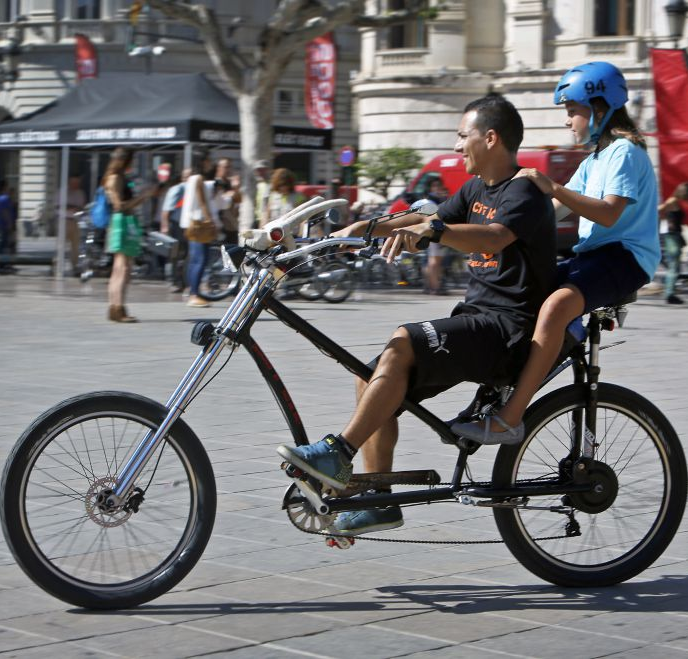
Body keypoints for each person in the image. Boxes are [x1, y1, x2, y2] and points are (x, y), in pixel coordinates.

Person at [277, 93, 558, 535]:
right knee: (369, 377)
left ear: (491, 137)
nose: (457, 145)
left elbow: (493, 237)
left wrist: (436, 231)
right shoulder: (474, 189)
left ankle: (338, 452)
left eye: (463, 136)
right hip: (475, 319)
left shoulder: (522, 189)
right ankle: (378, 500)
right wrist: (361, 228)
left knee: (403, 339)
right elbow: (421, 219)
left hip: (507, 330)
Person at [450, 61, 660, 444]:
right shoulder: (596, 158)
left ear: (599, 108)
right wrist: (513, 213)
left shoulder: (625, 153)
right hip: (593, 257)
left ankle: (511, 417)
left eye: (572, 111)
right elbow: (552, 211)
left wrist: (551, 186)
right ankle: (492, 397)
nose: (568, 121)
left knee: (556, 307)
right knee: (527, 293)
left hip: (625, 257)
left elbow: (609, 213)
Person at [103, 147, 154, 323]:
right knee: (123, 269)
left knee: (119, 268)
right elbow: (119, 205)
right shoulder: (116, 178)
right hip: (122, 223)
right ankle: (118, 309)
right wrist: (142, 197)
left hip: (121, 223)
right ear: (125, 160)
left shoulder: (116, 177)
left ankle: (115, 308)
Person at [180, 152, 221, 308]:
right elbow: (202, 202)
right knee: (200, 259)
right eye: (209, 160)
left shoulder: (191, 178)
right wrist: (210, 220)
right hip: (199, 223)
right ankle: (194, 295)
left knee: (194, 259)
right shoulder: (198, 179)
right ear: (203, 162)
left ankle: (192, 291)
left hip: (191, 223)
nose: (210, 163)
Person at [657, 181, 688, 304]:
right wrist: (666, 220)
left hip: (674, 236)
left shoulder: (675, 201)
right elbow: (658, 210)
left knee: (674, 266)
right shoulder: (672, 201)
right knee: (673, 266)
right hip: (672, 236)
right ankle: (669, 294)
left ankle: (670, 292)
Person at [161, 168, 191, 294]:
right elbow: (166, 209)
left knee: (185, 256)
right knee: (174, 255)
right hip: (176, 225)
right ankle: (172, 281)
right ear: (183, 178)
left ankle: (183, 282)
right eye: (189, 176)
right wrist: (165, 226)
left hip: (186, 225)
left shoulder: (191, 189)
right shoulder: (178, 189)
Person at [422, 178, 451, 295]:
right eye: (435, 186)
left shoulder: (435, 199)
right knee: (434, 260)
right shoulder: (431, 200)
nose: (438, 188)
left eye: (439, 185)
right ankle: (434, 287)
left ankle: (431, 285)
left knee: (435, 260)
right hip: (433, 230)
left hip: (437, 229)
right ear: (430, 188)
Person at [213, 158, 241, 245]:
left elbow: (238, 200)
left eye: (229, 167)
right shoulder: (215, 183)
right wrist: (228, 195)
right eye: (226, 167)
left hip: (231, 224)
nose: (228, 170)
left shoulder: (231, 183)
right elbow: (216, 201)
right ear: (219, 168)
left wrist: (236, 189)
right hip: (219, 224)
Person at [64, 175, 87, 276]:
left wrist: (72, 207)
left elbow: (81, 206)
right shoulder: (63, 192)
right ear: (69, 182)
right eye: (74, 183)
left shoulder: (80, 193)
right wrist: (71, 207)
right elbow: (59, 205)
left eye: (77, 183)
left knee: (75, 246)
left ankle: (75, 266)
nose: (76, 185)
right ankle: (56, 265)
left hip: (76, 220)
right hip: (63, 221)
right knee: (61, 246)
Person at [0, 180, 17, 274]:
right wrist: (9, 224)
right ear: (4, 187)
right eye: (7, 186)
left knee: (2, 245)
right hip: (5, 225)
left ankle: (1, 264)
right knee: (6, 246)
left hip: (0, 224)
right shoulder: (5, 198)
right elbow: (5, 212)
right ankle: (5, 264)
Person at [252, 159, 272, 230]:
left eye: (262, 169)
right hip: (256, 219)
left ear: (268, 170)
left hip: (267, 220)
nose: (260, 172)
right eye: (258, 170)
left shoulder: (272, 185)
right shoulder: (256, 185)